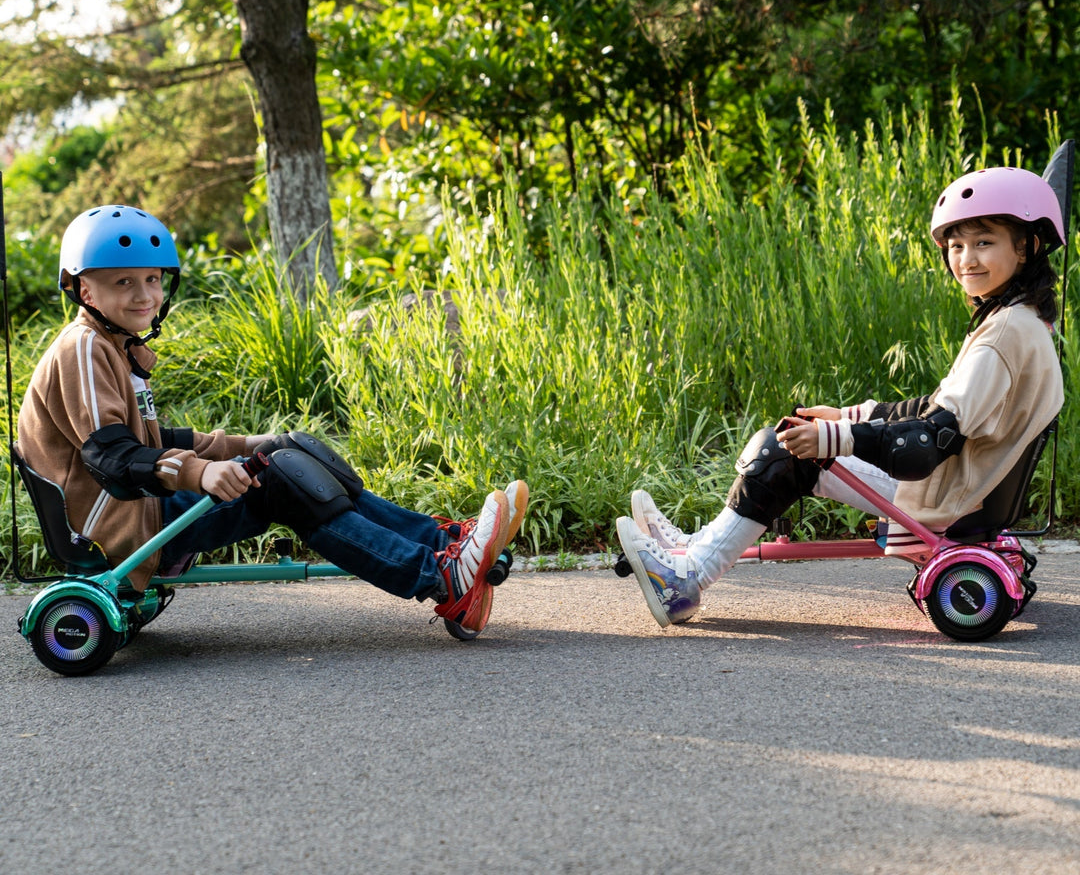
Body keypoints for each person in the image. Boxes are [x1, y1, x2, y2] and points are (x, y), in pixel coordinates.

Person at [17, 204, 528, 635]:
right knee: (284, 482)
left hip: (139, 507)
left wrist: (252, 442)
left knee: (292, 454)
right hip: (119, 524)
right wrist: (200, 471)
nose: (144, 295)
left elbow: (155, 438)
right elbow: (113, 456)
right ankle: (441, 577)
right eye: (122, 282)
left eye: (152, 279)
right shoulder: (84, 349)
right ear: (85, 291)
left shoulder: (112, 347)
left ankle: (449, 548)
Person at [616, 165, 1065, 627]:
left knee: (781, 451)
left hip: (944, 492)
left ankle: (687, 577)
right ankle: (690, 550)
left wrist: (836, 439)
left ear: (1027, 246)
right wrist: (850, 415)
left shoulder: (1001, 335)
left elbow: (928, 441)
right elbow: (938, 408)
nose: (966, 259)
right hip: (966, 486)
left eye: (984, 242)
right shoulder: (1021, 322)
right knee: (792, 441)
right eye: (956, 245)